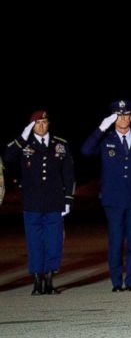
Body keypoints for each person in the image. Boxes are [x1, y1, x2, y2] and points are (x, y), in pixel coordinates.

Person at [81, 100, 131, 292]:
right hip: (113, 200)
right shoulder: (106, 139)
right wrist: (101, 128)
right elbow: (86, 151)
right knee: (115, 241)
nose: (123, 119)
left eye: (126, 115)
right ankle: (115, 281)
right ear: (113, 119)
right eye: (118, 116)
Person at [4, 111, 75, 294]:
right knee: (34, 242)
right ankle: (37, 279)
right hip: (32, 204)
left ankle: (50, 279)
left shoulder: (60, 144)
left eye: (44, 122)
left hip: (54, 203)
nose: (41, 126)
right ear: (31, 126)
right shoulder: (24, 144)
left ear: (49, 123)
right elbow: (8, 156)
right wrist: (23, 135)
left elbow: (68, 173)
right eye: (37, 123)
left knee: (54, 242)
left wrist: (68, 199)